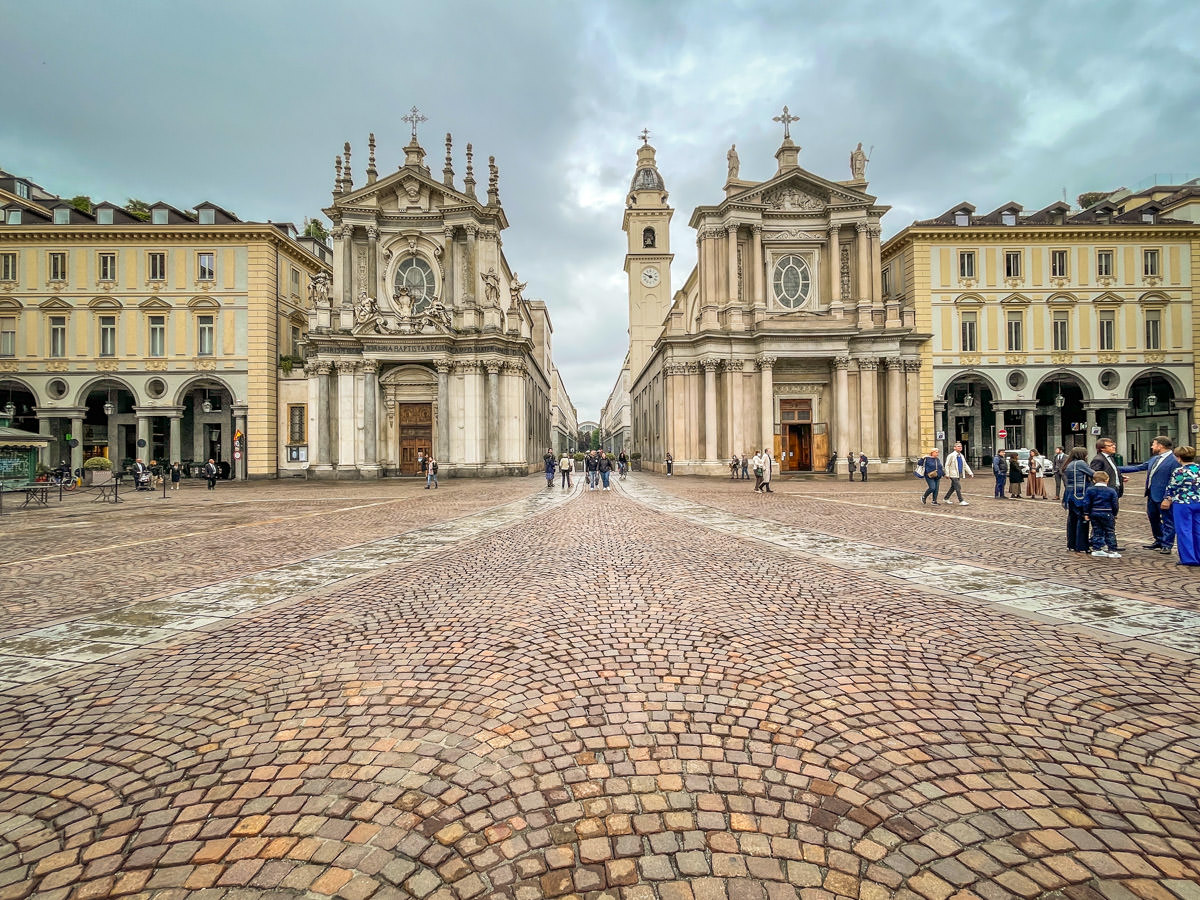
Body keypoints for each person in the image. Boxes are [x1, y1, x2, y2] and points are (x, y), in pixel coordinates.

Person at [1119, 435, 1180, 555]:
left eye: (1154, 444)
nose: (1152, 446)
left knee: (1168, 520)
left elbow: (1174, 480)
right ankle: (1159, 539)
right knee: (1153, 518)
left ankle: (1167, 544)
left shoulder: (1174, 460)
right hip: (1151, 495)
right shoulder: (1154, 459)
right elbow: (1138, 467)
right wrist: (1113, 468)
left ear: (1160, 446)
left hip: (1164, 496)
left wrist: (1169, 497)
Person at [1164, 445, 1200, 566]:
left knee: (1184, 530)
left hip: (1183, 503)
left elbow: (1172, 487)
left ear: (1178, 458)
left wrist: (1167, 499)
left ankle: (1189, 558)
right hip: (1198, 501)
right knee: (1198, 530)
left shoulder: (1179, 471)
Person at [1061, 447, 1094, 553]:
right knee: (1082, 519)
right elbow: (1094, 474)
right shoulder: (1080, 463)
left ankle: (1072, 544)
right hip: (1079, 494)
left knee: (1072, 520)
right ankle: (1082, 545)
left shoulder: (1070, 464)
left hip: (1069, 494)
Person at [1083, 471, 1121, 558]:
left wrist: (1086, 513)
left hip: (1094, 513)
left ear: (1094, 480)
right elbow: (1115, 504)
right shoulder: (1111, 491)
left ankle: (1097, 548)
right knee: (1110, 531)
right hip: (1107, 513)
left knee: (1097, 530)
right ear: (1107, 480)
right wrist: (1114, 514)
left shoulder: (1090, 490)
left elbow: (1086, 502)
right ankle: (1112, 550)